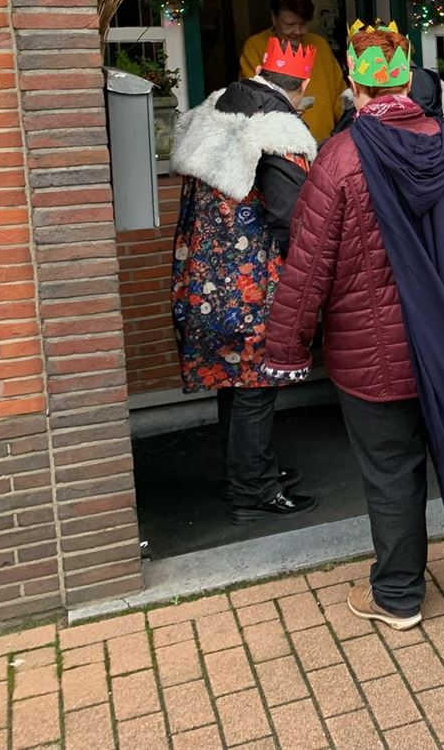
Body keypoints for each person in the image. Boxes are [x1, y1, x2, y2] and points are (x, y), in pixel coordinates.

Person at [261, 25, 444, 630]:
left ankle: (399, 595)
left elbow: (308, 264)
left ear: (355, 87)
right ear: (407, 80)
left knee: (391, 471)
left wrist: (287, 347)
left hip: (374, 354)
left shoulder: (340, 159)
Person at [170, 36, 319, 524]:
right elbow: (291, 214)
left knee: (232, 381)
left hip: (205, 275)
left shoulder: (217, 109)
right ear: (300, 87)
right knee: (255, 382)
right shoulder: (278, 131)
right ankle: (254, 491)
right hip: (249, 279)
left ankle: (246, 471)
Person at [239, 0, 346, 143]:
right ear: (274, 18)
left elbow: (341, 100)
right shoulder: (256, 47)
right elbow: (252, 106)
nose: (297, 31)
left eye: (303, 24)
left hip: (324, 146)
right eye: (290, 24)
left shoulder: (320, 46)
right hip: (279, 149)